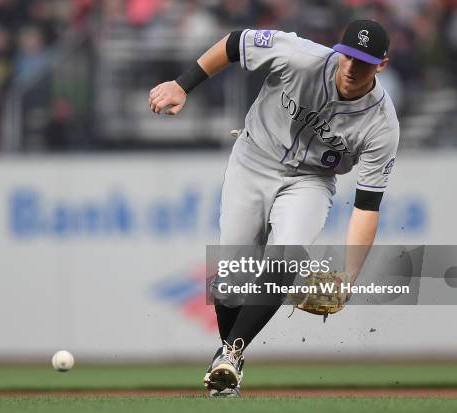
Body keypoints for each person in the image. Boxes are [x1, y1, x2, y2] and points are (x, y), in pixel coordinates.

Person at [149, 20, 399, 397]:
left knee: (287, 257)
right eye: (347, 56)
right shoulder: (301, 56)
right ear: (338, 50)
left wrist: (349, 275)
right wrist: (182, 85)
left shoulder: (381, 125)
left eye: (362, 62)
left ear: (381, 65)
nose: (350, 67)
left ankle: (229, 357)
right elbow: (236, 43)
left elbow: (367, 206)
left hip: (311, 181)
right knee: (231, 281)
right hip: (253, 159)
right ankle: (228, 362)